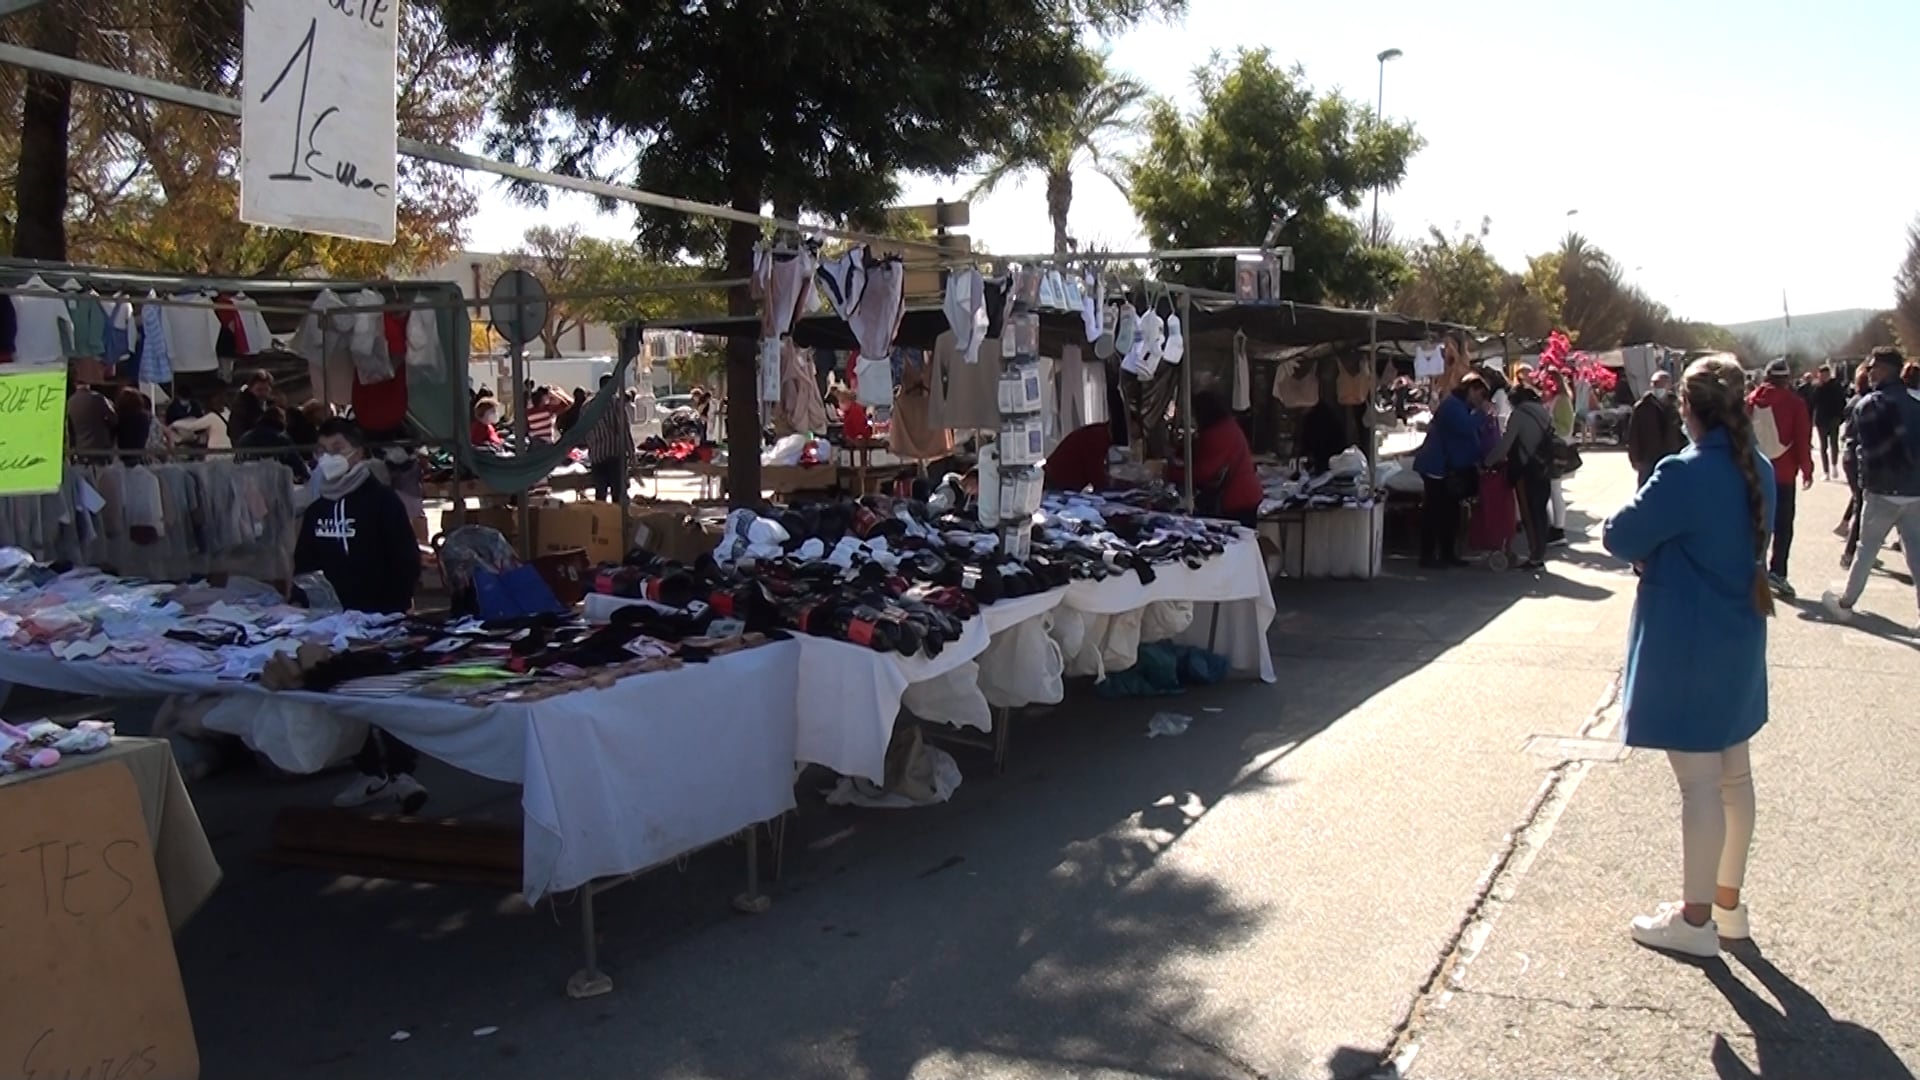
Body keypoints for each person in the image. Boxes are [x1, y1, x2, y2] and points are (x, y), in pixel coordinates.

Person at [1602, 356, 1774, 958]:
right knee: (1735, 777)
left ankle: (1695, 920)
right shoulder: (1760, 471)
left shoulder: (1683, 472)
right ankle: (1727, 905)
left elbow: (1619, 533)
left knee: (1699, 787)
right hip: (1739, 638)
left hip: (1688, 643)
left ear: (1689, 411)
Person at [293, 418, 428, 812]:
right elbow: (305, 563)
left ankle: (403, 771)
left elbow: (405, 559)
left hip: (380, 618)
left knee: (387, 694)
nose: (326, 458)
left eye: (335, 449)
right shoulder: (318, 508)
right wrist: (308, 605)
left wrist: (394, 608)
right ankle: (370, 771)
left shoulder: (382, 501)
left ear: (357, 453)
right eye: (320, 450)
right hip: (334, 622)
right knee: (346, 698)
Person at [1823, 347, 1920, 627]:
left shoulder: (1870, 404)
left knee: (1867, 549)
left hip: (1882, 490)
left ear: (1885, 369)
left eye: (1874, 367)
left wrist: (1862, 487)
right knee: (1916, 553)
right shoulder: (1915, 405)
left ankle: (1846, 602)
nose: (1870, 371)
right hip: (1914, 490)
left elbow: (1863, 451)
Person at [1746, 358, 1813, 598]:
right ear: (1786, 378)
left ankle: (1753, 568)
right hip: (1784, 473)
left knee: (1754, 522)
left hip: (1753, 471)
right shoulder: (1795, 404)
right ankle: (1778, 572)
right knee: (1783, 525)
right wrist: (1807, 468)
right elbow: (1802, 438)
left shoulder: (1751, 401)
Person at [1412, 373, 1491, 568]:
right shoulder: (1453, 406)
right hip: (1437, 466)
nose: (1480, 401)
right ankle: (1428, 556)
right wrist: (1483, 413)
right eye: (1479, 396)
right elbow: (1465, 428)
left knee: (1450, 512)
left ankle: (1447, 553)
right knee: (1435, 511)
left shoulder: (1459, 406)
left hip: (1447, 467)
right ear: (1471, 390)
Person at [1166, 387, 1261, 527]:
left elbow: (1204, 473)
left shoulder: (1218, 433)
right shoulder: (1225, 427)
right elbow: (1203, 449)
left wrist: (1169, 472)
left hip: (1237, 500)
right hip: (1244, 495)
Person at [1488, 382, 1555, 568]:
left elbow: (1505, 445)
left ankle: (1535, 555)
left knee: (1530, 514)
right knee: (1541, 511)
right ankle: (1540, 552)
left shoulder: (1519, 415)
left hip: (1527, 469)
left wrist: (1488, 462)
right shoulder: (1543, 411)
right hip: (1545, 466)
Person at [1627, 371, 1686, 488]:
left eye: (1661, 384)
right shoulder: (1642, 407)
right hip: (1648, 457)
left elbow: (1684, 431)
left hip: (1672, 455)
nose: (1658, 387)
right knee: (1646, 489)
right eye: (1655, 384)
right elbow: (1633, 434)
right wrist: (1634, 458)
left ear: (1669, 385)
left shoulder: (1677, 406)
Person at [583, 374, 635, 502]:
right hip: (614, 454)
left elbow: (583, 432)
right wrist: (631, 453)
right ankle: (617, 520)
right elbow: (624, 429)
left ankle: (601, 520)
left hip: (596, 456)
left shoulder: (587, 406)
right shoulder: (615, 403)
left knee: (600, 494)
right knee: (618, 493)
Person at [1547, 382, 1578, 545]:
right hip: (1554, 447)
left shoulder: (1562, 400)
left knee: (1554, 489)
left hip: (1558, 448)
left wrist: (1548, 423)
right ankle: (1554, 526)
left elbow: (1565, 429)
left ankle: (1558, 529)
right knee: (1552, 490)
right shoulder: (1558, 399)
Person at [1044, 422, 1112, 493]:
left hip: (1060, 484)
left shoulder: (1098, 432)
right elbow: (1099, 481)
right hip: (1053, 484)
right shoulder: (1097, 437)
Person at [1810, 365, 1849, 480]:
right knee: (1823, 446)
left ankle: (1834, 466)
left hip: (1833, 418)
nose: (1823, 377)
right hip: (1821, 419)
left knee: (1834, 443)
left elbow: (1842, 402)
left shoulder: (1836, 386)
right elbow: (1813, 402)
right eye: (1821, 375)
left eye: (1825, 375)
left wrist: (1841, 417)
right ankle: (1826, 471)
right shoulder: (1817, 387)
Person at [169, 386, 232, 452]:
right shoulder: (228, 413)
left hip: (216, 453)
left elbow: (192, 426)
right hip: (229, 450)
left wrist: (174, 424)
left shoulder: (211, 417)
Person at [66, 381, 116, 457]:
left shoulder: (70, 402)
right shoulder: (99, 398)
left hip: (80, 448)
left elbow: (70, 428)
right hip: (101, 447)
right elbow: (114, 419)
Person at [228, 370, 274, 443]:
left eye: (266, 389)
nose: (263, 393)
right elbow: (236, 433)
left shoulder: (272, 407)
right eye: (259, 390)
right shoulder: (241, 408)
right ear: (250, 389)